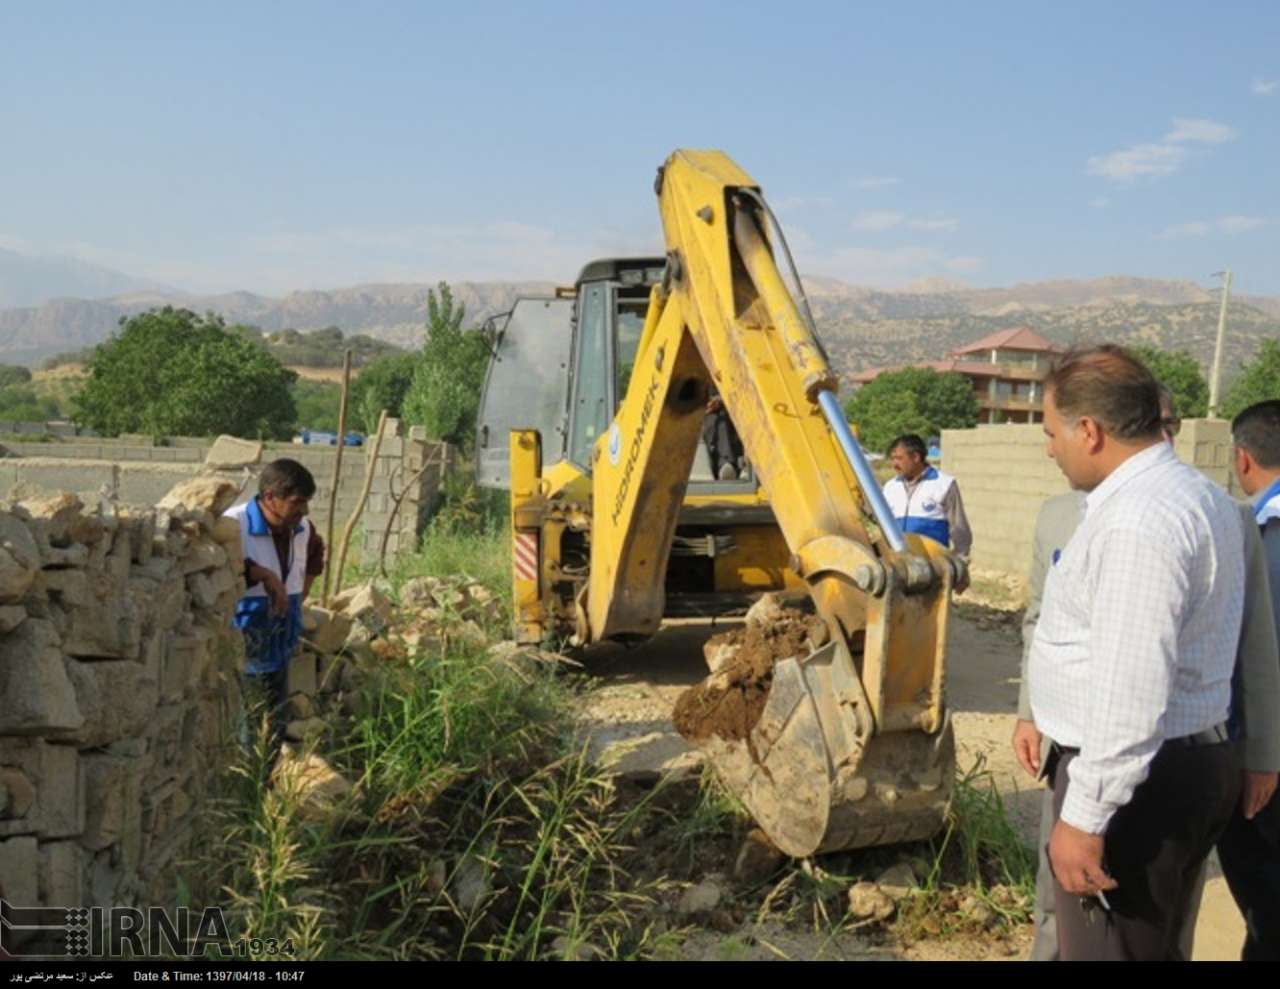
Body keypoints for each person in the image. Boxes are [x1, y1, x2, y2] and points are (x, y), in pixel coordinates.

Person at [1016, 385, 1280, 960]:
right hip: (1077, 745)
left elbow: (1251, 645)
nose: (1048, 449)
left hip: (1137, 760)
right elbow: (1041, 622)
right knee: (1061, 904)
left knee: (1140, 922)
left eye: (1161, 425)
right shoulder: (1062, 514)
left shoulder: (1176, 518)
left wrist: (1263, 750)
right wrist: (1029, 713)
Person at [1219, 399, 1280, 960]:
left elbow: (1255, 654)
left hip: (1266, 752)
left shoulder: (1260, 532)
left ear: (1242, 459)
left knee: (1267, 903)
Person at [226, 458, 326, 777]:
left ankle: (263, 788)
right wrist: (262, 575)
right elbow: (217, 563)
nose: (305, 512)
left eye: (307, 503)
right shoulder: (235, 524)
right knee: (250, 727)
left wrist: (296, 602)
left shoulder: (302, 529)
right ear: (270, 497)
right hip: (246, 643)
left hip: (280, 644)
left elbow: (315, 558)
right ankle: (246, 794)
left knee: (274, 723)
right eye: (298, 502)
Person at [882, 433, 973, 561]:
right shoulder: (890, 487)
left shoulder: (944, 484)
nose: (894, 464)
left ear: (916, 457)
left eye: (899, 458)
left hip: (934, 563)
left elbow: (958, 526)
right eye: (892, 458)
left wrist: (960, 559)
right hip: (899, 563)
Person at [702, 390, 745, 481]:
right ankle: (724, 464)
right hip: (703, 412)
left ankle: (726, 465)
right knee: (717, 420)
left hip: (728, 408)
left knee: (722, 419)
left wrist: (720, 400)